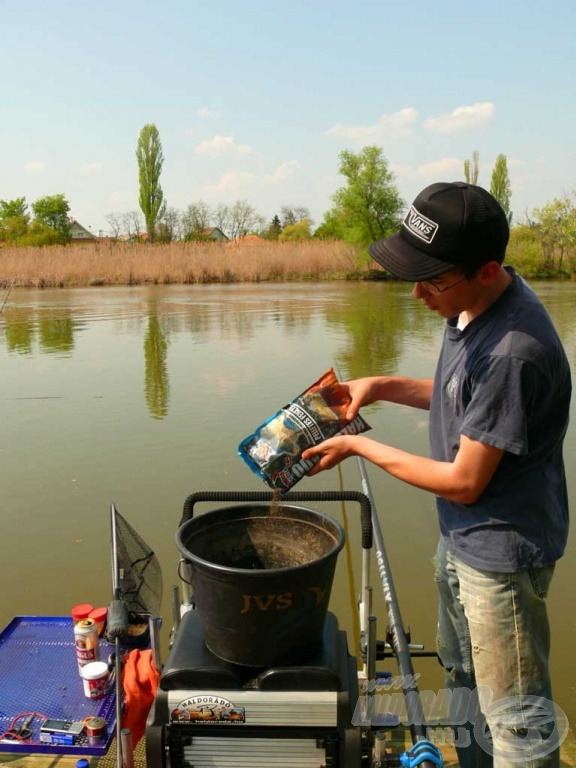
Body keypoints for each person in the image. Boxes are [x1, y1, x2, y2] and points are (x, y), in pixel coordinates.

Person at [302, 182, 571, 768]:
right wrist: (380, 386)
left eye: (432, 279)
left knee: (518, 726)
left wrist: (359, 449)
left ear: (487, 269)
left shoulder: (513, 350)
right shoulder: (472, 304)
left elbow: (464, 480)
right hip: (461, 539)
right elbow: (461, 399)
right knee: (462, 679)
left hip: (502, 555)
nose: (417, 293)